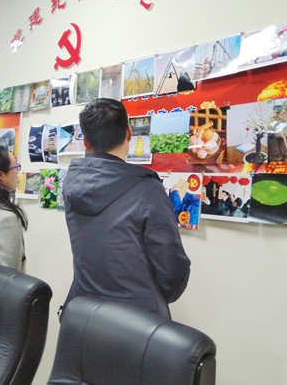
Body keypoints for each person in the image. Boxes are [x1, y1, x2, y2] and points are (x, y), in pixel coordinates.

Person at [62, 98, 191, 320]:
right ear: (129, 133)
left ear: (85, 141)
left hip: (84, 313)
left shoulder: (71, 182)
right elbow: (172, 273)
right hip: (137, 322)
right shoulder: (147, 189)